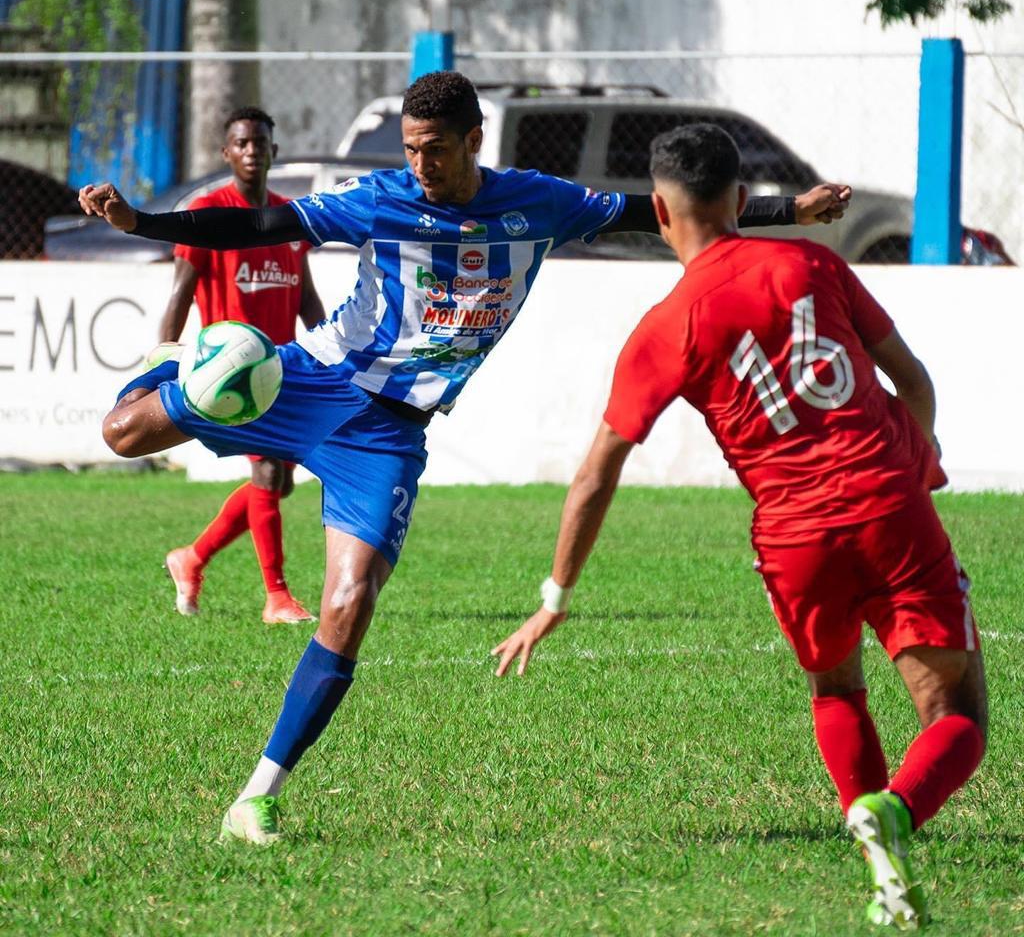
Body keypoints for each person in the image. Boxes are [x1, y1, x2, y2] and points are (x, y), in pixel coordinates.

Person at [79, 71, 851, 847]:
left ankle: (256, 798)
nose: (422, 164)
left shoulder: (538, 202)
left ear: (475, 139)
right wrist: (142, 220)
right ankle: (182, 359)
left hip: (387, 431)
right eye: (412, 150)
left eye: (437, 150)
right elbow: (264, 225)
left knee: (349, 605)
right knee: (122, 434)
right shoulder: (379, 198)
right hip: (312, 378)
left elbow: (656, 215)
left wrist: (792, 210)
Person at [491, 123, 985, 930]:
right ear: (742, 199)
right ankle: (893, 814)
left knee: (837, 688)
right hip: (888, 504)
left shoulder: (666, 324)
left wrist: (556, 593)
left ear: (659, 209)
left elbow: (596, 471)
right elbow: (913, 379)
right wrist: (918, 454)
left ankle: (879, 867)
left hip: (792, 537)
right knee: (958, 712)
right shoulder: (811, 262)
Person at [156, 106, 325, 625]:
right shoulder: (209, 213)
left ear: (273, 151)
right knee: (269, 473)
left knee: (274, 484)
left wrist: (331, 356)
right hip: (230, 377)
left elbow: (307, 298)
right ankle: (277, 597)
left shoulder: (289, 219)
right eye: (241, 143)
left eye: (260, 142)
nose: (252, 150)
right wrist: (165, 358)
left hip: (283, 371)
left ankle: (193, 557)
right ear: (227, 153)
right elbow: (180, 294)